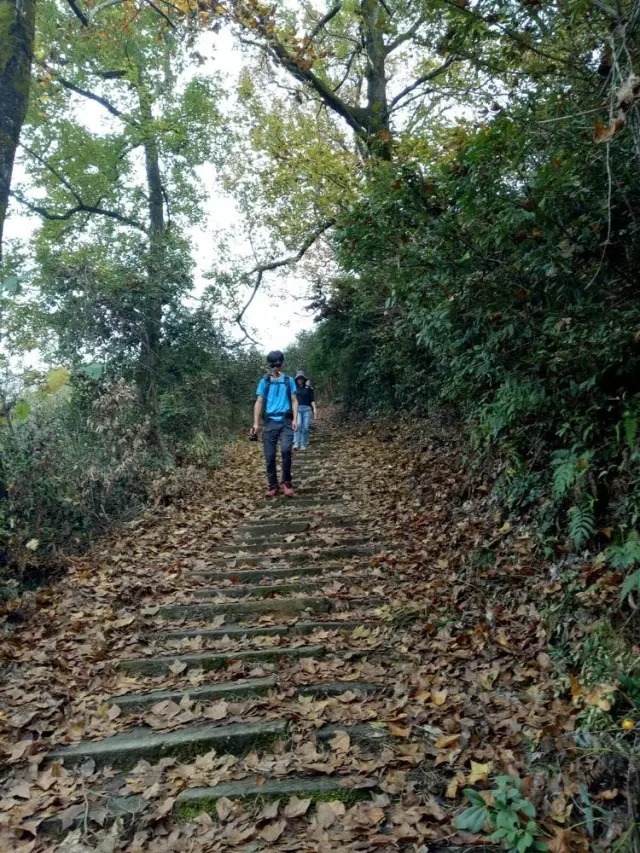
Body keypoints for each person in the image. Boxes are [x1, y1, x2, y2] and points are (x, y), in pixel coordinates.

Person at [251, 350, 299, 497]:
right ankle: (273, 485)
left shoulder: (288, 380)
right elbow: (259, 401)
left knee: (286, 451)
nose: (276, 368)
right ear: (269, 365)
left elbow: (294, 400)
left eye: (278, 364)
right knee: (269, 455)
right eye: (273, 365)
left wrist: (295, 419)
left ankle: (287, 483)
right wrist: (256, 423)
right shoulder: (264, 381)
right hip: (269, 421)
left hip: (285, 420)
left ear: (282, 364)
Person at [293, 371, 316, 451]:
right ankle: (296, 443)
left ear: (304, 379)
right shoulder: (294, 387)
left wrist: (315, 410)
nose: (300, 380)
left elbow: (312, 400)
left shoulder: (308, 388)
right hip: (297, 409)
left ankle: (303, 444)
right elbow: (292, 400)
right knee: (298, 424)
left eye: (301, 378)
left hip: (307, 409)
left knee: (305, 427)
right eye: (299, 378)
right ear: (296, 379)